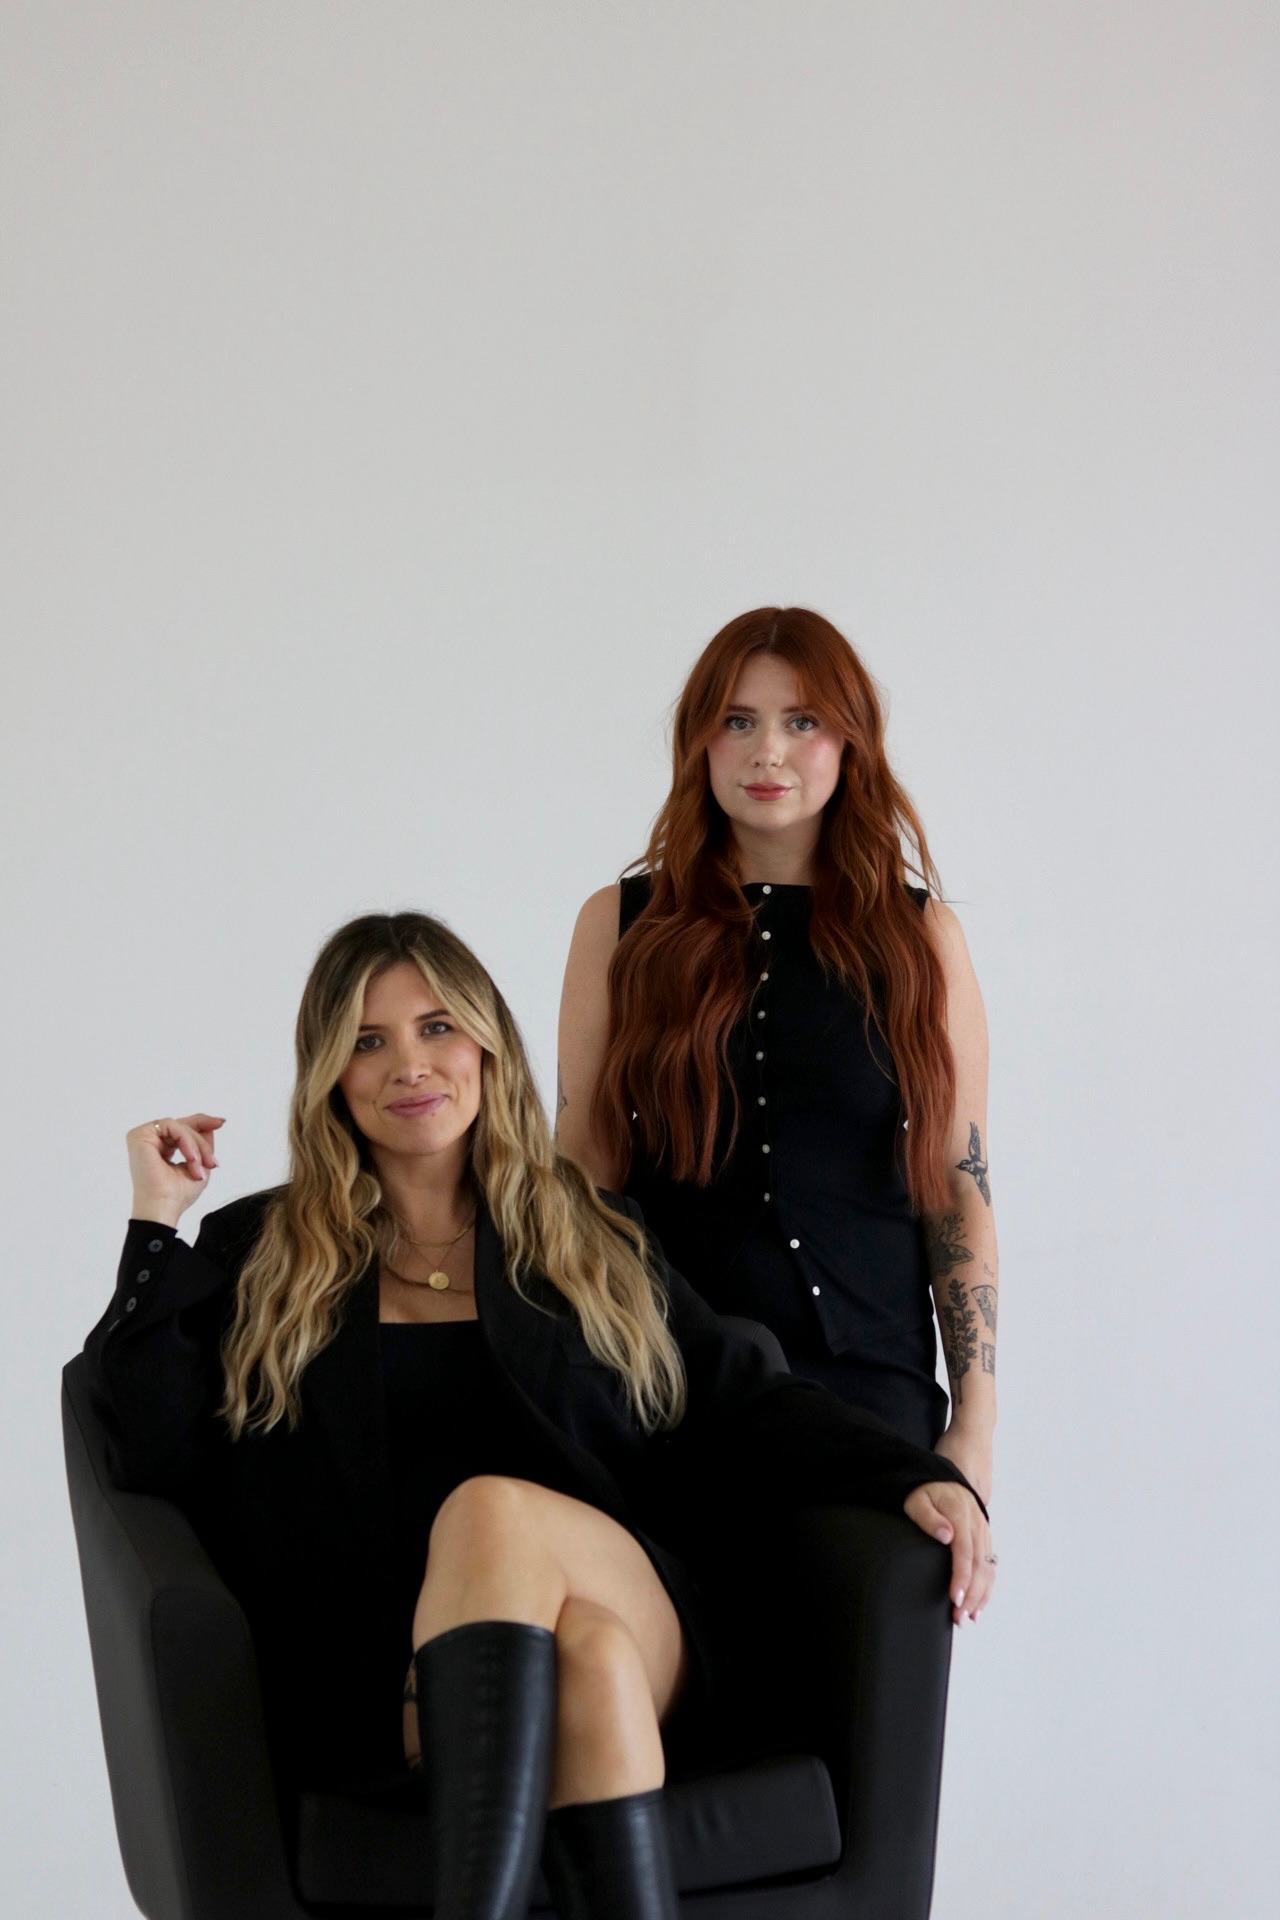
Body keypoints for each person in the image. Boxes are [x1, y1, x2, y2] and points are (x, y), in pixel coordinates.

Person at [85, 910, 993, 1920]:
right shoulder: (260, 1251)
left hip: (644, 1610)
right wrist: (154, 1224)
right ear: (329, 1074)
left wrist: (916, 1472)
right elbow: (149, 1450)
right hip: (405, 1677)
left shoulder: (586, 1232)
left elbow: (744, 1398)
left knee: (494, 1515)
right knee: (589, 1664)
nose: (409, 1064)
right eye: (367, 1041)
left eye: (437, 1027)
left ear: (484, 1043)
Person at [557, 606, 1001, 1506]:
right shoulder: (620, 925)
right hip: (669, 1387)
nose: (768, 753)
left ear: (850, 742)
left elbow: (959, 1187)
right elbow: (582, 1170)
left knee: (881, 1604)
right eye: (738, 721)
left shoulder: (920, 938)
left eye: (802, 721)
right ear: (699, 741)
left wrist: (975, 1427)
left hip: (875, 1397)